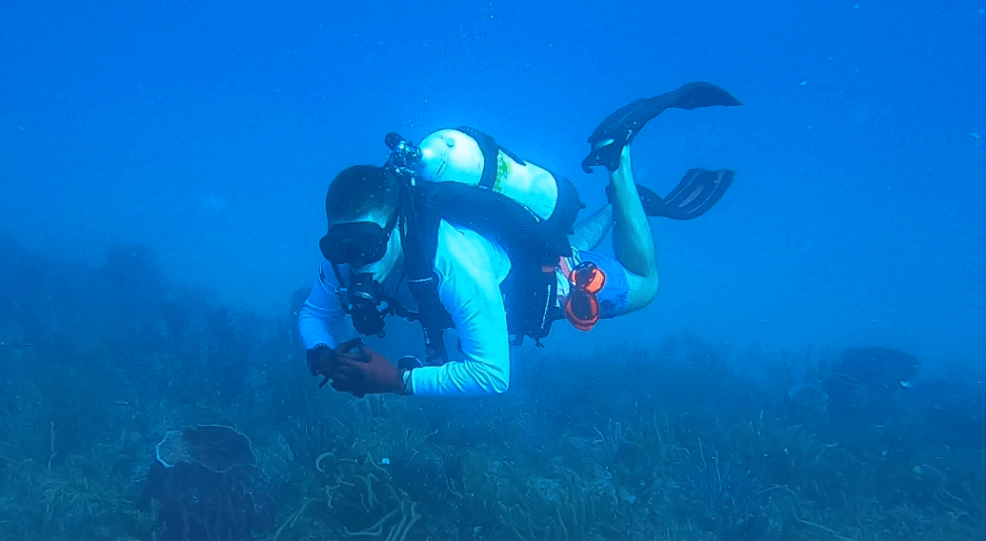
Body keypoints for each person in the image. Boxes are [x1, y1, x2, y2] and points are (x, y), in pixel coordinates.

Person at [297, 82, 741, 398]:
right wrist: (320, 353)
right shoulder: (344, 258)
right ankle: (620, 207)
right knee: (563, 245)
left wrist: (398, 380)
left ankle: (618, 158)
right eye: (341, 248)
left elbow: (492, 374)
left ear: (398, 225)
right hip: (523, 251)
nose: (359, 265)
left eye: (368, 248)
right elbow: (315, 312)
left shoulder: (453, 264)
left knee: (646, 286)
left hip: (544, 288)